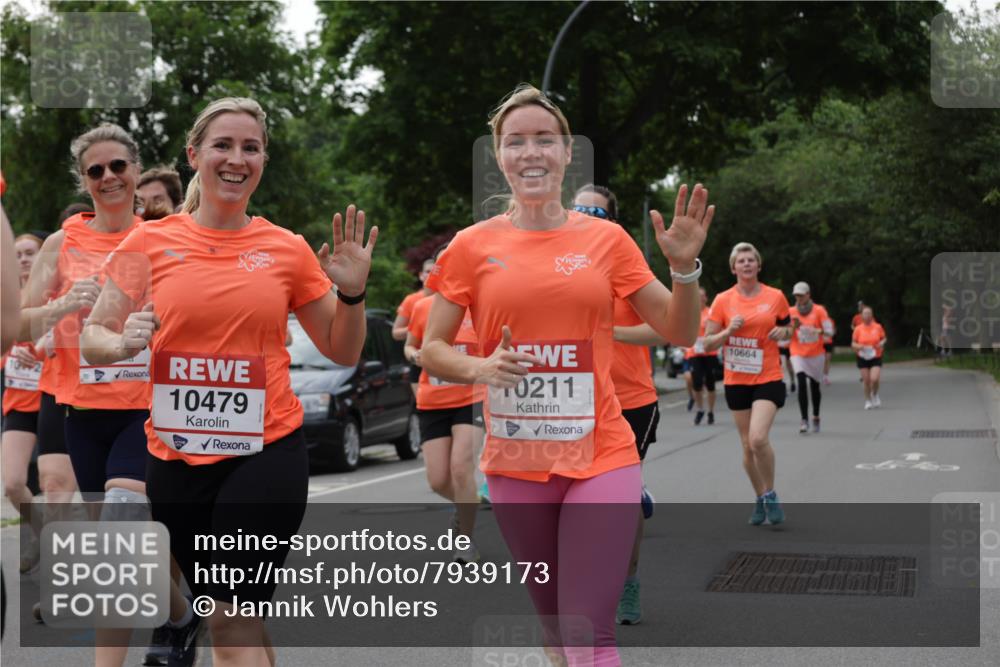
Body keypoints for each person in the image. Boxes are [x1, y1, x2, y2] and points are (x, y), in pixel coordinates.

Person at [420, 84, 711, 666]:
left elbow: (679, 331)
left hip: (602, 451)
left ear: (567, 151)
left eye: (545, 139)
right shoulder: (471, 246)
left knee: (588, 633)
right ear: (499, 155)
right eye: (516, 141)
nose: (532, 152)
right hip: (517, 465)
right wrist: (480, 366)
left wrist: (683, 270)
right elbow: (431, 349)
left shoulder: (605, 239)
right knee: (555, 626)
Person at [81, 96, 376, 667]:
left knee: (230, 615)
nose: (236, 158)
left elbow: (342, 347)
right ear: (194, 155)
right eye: (223, 145)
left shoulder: (286, 249)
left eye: (250, 147)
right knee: (230, 618)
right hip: (174, 460)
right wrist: (122, 343)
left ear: (263, 160)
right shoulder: (149, 242)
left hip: (264, 450)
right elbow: (94, 336)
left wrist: (353, 294)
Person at [574, 184, 659, 626]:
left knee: (619, 507)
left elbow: (664, 329)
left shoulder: (625, 267)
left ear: (612, 222)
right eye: (578, 209)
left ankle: (627, 581)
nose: (584, 216)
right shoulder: (556, 269)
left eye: (594, 212)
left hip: (630, 399)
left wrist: (610, 332)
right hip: (573, 404)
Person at [701, 242, 793, 526]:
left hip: (768, 376)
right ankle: (760, 495)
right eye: (741, 261)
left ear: (758, 265)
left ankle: (772, 493)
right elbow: (707, 343)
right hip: (736, 379)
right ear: (733, 268)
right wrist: (730, 330)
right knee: (746, 446)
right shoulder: (722, 300)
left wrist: (783, 331)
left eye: (751, 260)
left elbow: (789, 328)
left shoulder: (775, 296)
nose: (747, 264)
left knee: (757, 438)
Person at [405, 243, 485, 563]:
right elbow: (410, 346)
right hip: (432, 399)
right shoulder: (423, 308)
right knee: (438, 479)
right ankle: (467, 506)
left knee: (461, 467)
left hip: (472, 397)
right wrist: (416, 355)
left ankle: (464, 539)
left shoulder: (478, 306)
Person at [2, 232, 46, 570]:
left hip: (54, 399)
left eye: (31, 253)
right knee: (13, 484)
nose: (24, 260)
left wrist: (44, 357)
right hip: (18, 401)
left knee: (56, 485)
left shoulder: (55, 292)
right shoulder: (6, 299)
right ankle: (43, 535)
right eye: (17, 254)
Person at [788, 282, 833, 434]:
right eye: (796, 296)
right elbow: (786, 333)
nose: (799, 298)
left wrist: (816, 331)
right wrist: (793, 328)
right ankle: (804, 420)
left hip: (815, 354)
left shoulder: (819, 310)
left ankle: (816, 416)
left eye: (801, 295)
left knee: (814, 387)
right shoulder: (791, 311)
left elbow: (830, 332)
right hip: (797, 352)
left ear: (808, 295)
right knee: (801, 382)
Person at [852, 306, 886, 409]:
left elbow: (884, 338)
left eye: (869, 313)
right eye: (865, 314)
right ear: (861, 316)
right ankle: (867, 401)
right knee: (866, 380)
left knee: (874, 379)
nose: (867, 316)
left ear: (872, 315)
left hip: (875, 355)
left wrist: (881, 343)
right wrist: (859, 346)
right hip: (862, 356)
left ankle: (874, 394)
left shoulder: (878, 327)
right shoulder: (858, 329)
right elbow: (853, 343)